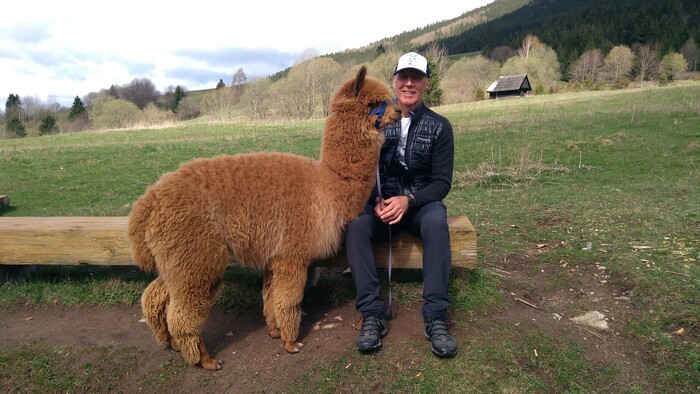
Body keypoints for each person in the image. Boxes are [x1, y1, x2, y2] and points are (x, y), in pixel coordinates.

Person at [345, 52, 456, 358]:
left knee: (437, 222)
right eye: (403, 77)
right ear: (394, 81)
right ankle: (371, 314)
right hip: (382, 204)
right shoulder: (375, 118)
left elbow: (442, 183)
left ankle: (435, 317)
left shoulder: (440, 127)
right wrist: (374, 200)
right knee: (355, 225)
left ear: (426, 84)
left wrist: (409, 200)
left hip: (420, 204)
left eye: (416, 77)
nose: (409, 83)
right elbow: (360, 167)